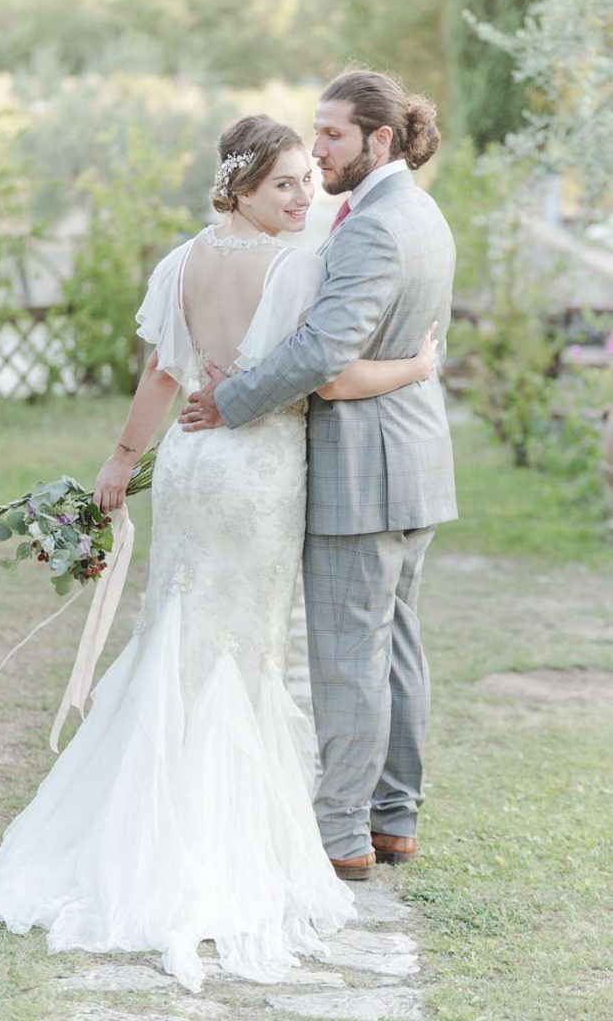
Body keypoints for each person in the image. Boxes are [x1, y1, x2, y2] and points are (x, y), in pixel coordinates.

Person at [0, 114, 438, 991]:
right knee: (241, 649)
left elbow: (163, 375)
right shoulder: (299, 265)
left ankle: (140, 814)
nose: (303, 197)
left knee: (177, 630)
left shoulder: (183, 262)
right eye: (284, 184)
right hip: (256, 472)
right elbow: (326, 375)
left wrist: (122, 457)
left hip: (189, 466)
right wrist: (415, 368)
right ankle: (217, 838)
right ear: (242, 188)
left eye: (307, 179)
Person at [180, 70, 458, 880]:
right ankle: (393, 817)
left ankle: (340, 833)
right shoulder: (420, 211)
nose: (320, 148)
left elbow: (326, 359)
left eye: (332, 134)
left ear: (380, 139)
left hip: (363, 474)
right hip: (412, 465)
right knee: (396, 644)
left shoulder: (374, 226)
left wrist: (230, 400)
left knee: (348, 653)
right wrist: (411, 369)